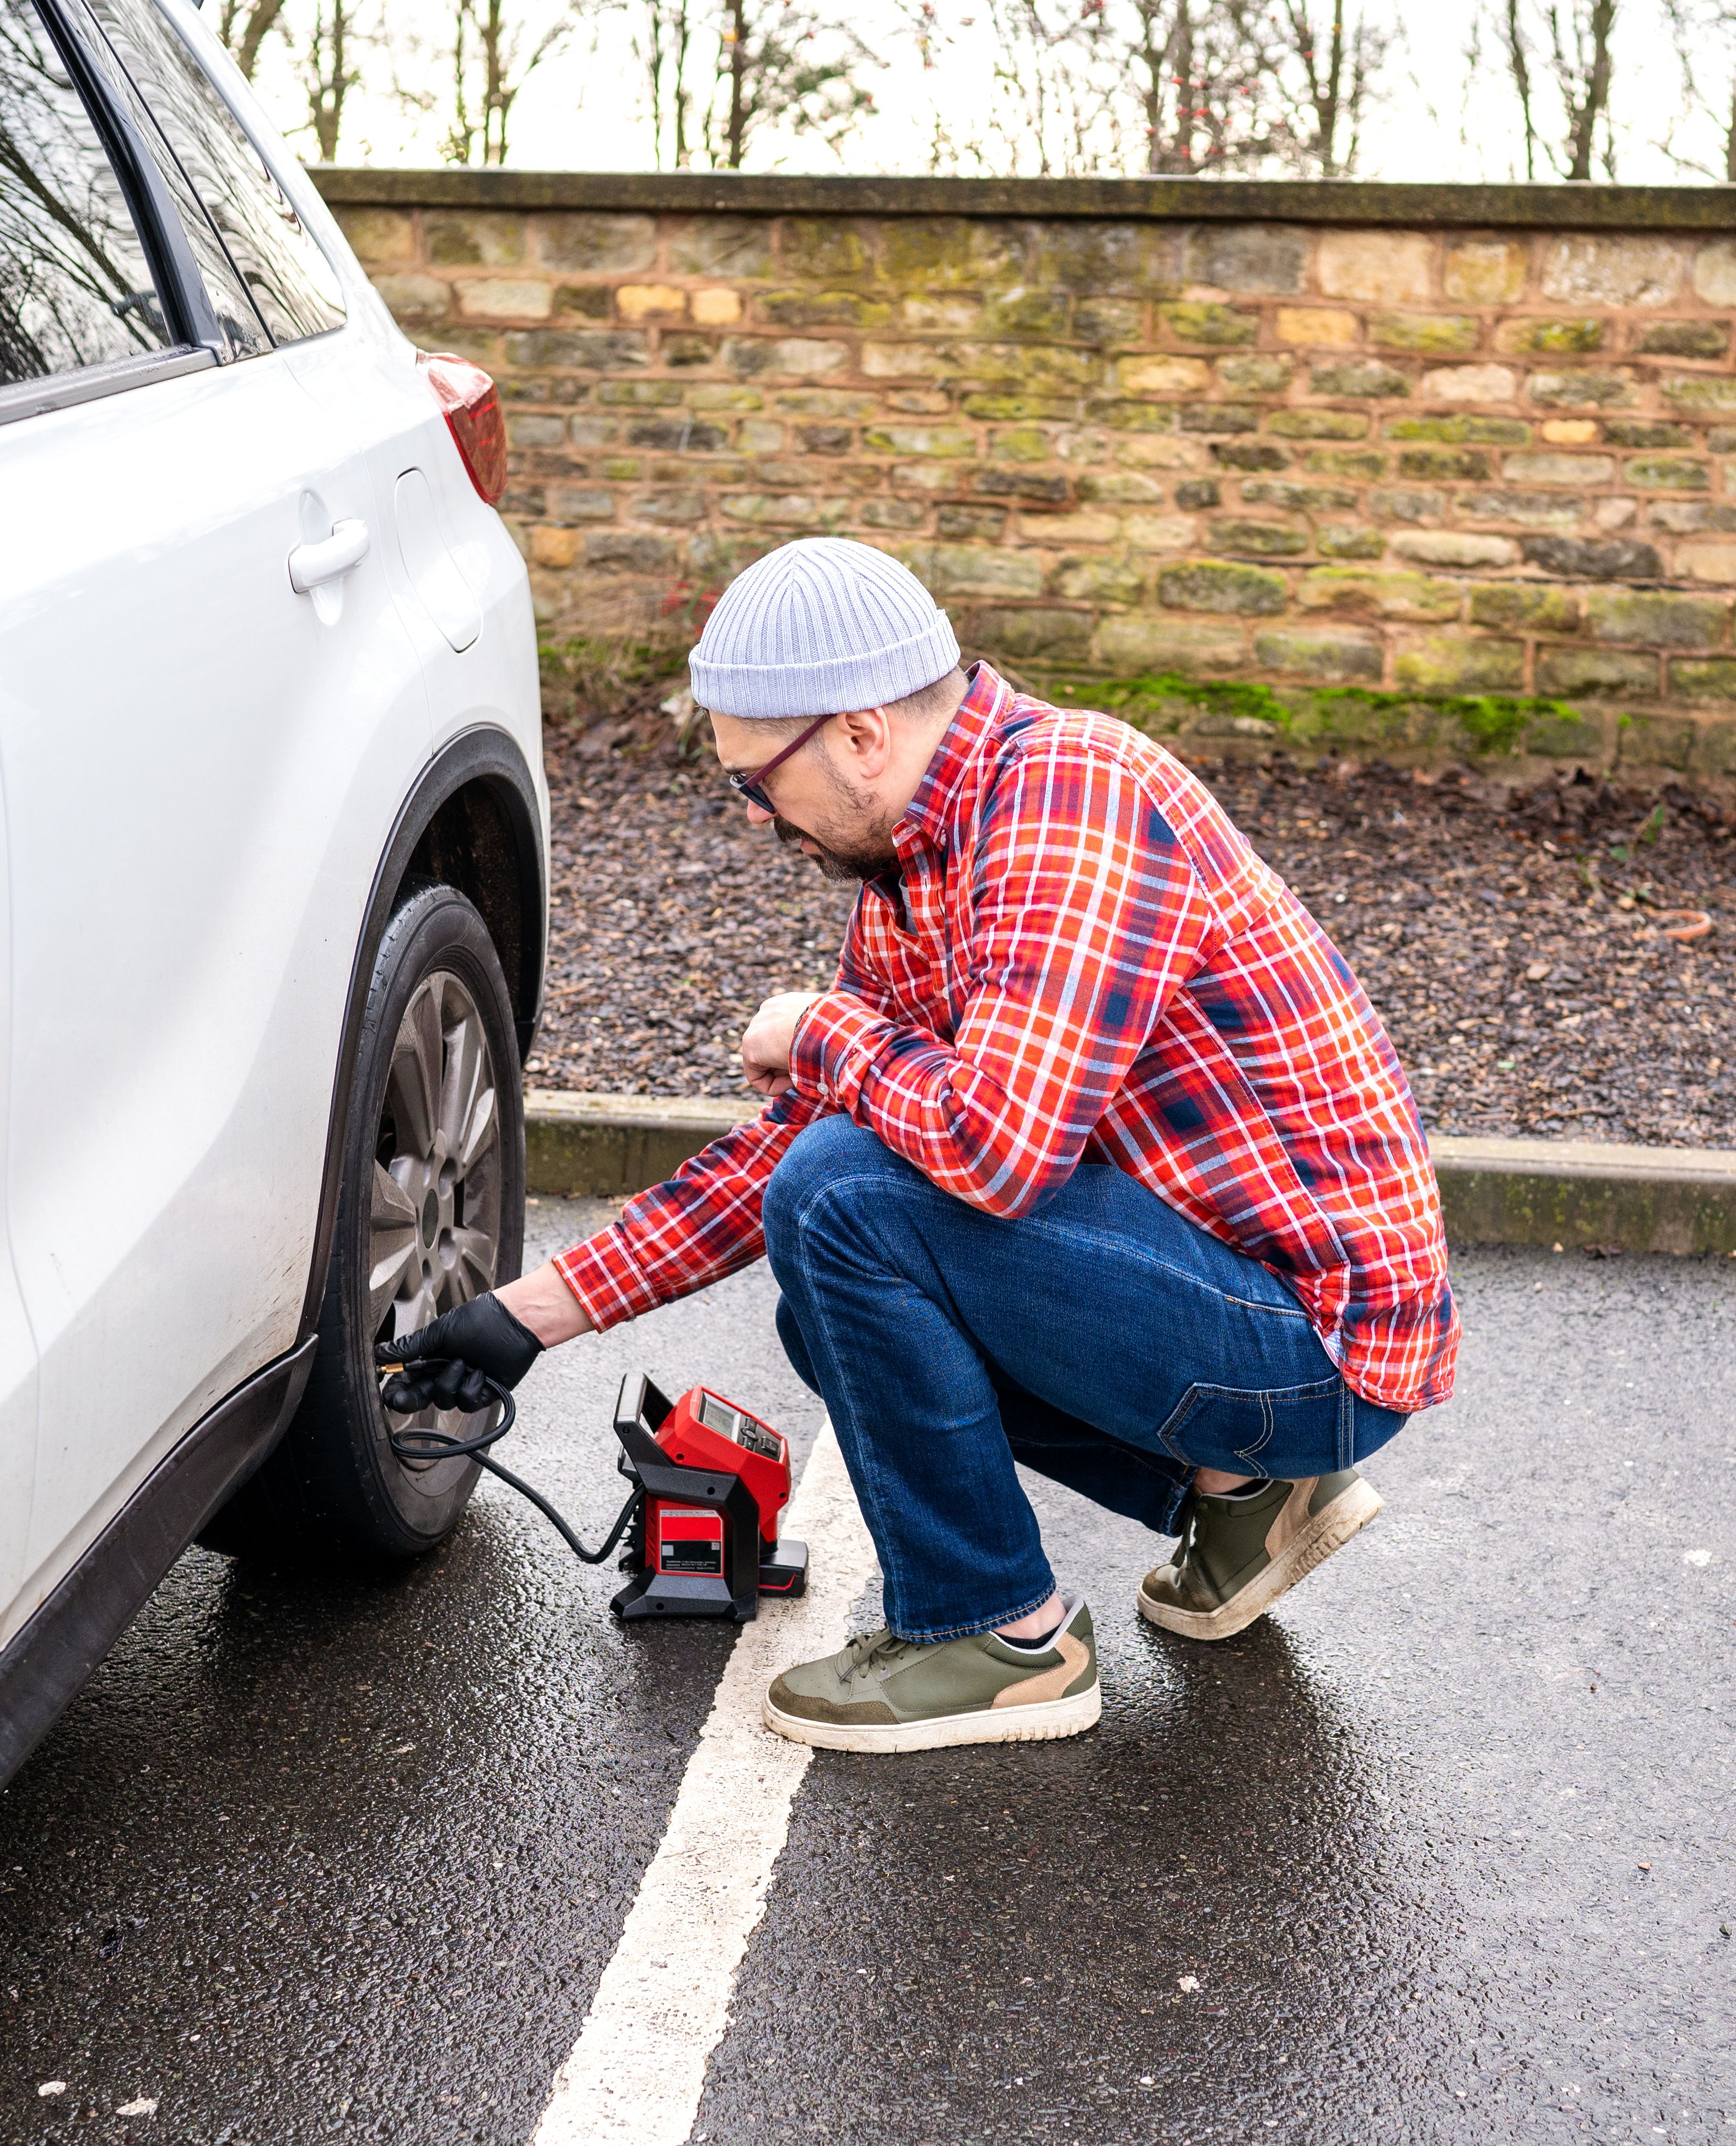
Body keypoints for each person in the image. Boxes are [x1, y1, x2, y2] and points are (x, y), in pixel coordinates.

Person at [390, 536, 1457, 1752]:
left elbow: (994, 1151)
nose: (759, 817)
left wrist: (822, 1026)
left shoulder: (1070, 801)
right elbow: (780, 1155)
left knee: (846, 1204)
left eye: (757, 780)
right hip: (1235, 1304)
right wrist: (526, 1316)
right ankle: (1248, 1498)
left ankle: (996, 1636)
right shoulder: (922, 866)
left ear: (857, 734)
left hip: (1312, 1345)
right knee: (828, 1298)